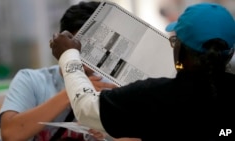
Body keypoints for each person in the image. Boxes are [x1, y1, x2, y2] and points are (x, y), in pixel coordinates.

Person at [50, 2, 235, 141]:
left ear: (179, 49)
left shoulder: (153, 95)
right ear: (230, 53)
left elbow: (86, 109)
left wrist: (68, 55)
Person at [0, 1, 116, 141]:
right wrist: (75, 92)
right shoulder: (30, 79)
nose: (88, 56)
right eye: (80, 47)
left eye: (97, 47)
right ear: (62, 45)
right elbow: (10, 134)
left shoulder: (111, 86)